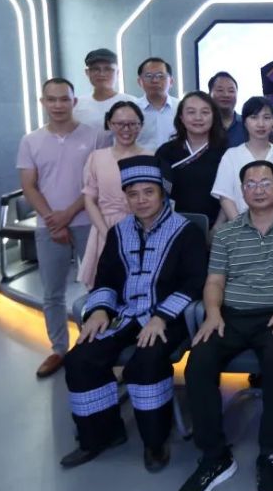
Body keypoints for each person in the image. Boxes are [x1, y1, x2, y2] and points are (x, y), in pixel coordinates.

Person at [177, 160, 273, 491]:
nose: (259, 190)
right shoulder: (227, 233)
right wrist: (213, 313)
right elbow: (214, 281)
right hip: (231, 315)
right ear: (242, 191)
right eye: (251, 184)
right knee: (198, 364)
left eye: (265, 183)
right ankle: (214, 456)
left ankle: (270, 453)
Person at [60, 156, 206, 471]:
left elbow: (195, 283)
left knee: (147, 361)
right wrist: (99, 310)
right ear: (126, 197)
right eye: (133, 194)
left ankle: (155, 443)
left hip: (169, 318)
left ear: (162, 193)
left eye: (148, 192)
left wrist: (161, 317)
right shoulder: (118, 232)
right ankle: (101, 435)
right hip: (123, 314)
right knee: (80, 358)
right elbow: (105, 279)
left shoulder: (187, 232)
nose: (141, 200)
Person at [17, 78, 101, 378]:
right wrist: (53, 220)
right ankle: (58, 349)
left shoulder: (94, 136)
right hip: (48, 227)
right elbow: (29, 185)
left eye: (64, 99)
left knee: (97, 287)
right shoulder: (31, 141)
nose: (58, 105)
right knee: (52, 292)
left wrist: (67, 214)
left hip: (88, 222)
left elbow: (96, 183)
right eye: (51, 99)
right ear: (42, 102)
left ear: (74, 101)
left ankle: (96, 344)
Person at [79, 100, 149, 289]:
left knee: (138, 286)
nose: (126, 129)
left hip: (142, 228)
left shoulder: (151, 157)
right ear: (110, 124)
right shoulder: (97, 157)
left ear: (141, 126)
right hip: (105, 228)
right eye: (119, 124)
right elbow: (89, 199)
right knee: (105, 287)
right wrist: (107, 234)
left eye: (132, 124)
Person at [211, 96, 273, 222]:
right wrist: (241, 227)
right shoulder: (231, 155)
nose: (261, 124)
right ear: (244, 122)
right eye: (254, 117)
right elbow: (225, 197)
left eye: (266, 117)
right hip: (239, 225)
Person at [154, 91, 228, 226]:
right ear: (181, 117)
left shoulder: (226, 152)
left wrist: (218, 228)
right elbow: (159, 192)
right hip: (172, 224)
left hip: (216, 225)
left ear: (214, 117)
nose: (198, 118)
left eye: (205, 112)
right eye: (191, 112)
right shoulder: (166, 152)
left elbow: (229, 194)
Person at [72, 48, 135, 132]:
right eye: (96, 69)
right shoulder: (77, 105)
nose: (102, 74)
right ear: (87, 72)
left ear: (117, 73)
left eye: (108, 69)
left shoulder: (132, 103)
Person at [135, 57, 178, 151]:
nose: (155, 80)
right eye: (149, 76)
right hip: (142, 159)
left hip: (176, 159)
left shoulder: (181, 108)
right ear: (139, 81)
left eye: (160, 76)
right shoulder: (132, 110)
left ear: (171, 81)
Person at [208, 71, 247, 148]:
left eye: (231, 91)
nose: (226, 95)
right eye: (220, 90)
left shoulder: (247, 124)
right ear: (209, 94)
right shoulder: (202, 125)